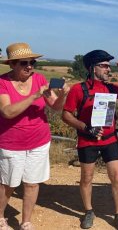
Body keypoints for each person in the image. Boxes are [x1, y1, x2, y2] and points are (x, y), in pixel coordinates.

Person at [0, 42, 69, 230]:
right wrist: (33, 96)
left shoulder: (38, 79)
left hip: (39, 141)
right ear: (12, 64)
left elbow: (55, 106)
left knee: (32, 183)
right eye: (24, 63)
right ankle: (0, 217)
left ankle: (26, 222)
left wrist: (62, 95)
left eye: (32, 63)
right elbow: (7, 112)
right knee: (8, 184)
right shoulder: (2, 83)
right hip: (11, 143)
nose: (29, 66)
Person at [62, 50, 118, 230]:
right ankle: (89, 211)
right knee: (87, 178)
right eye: (104, 66)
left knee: (115, 176)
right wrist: (85, 127)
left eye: (109, 66)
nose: (108, 69)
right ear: (92, 68)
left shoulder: (111, 88)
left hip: (109, 139)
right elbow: (66, 115)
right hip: (87, 141)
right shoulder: (78, 89)